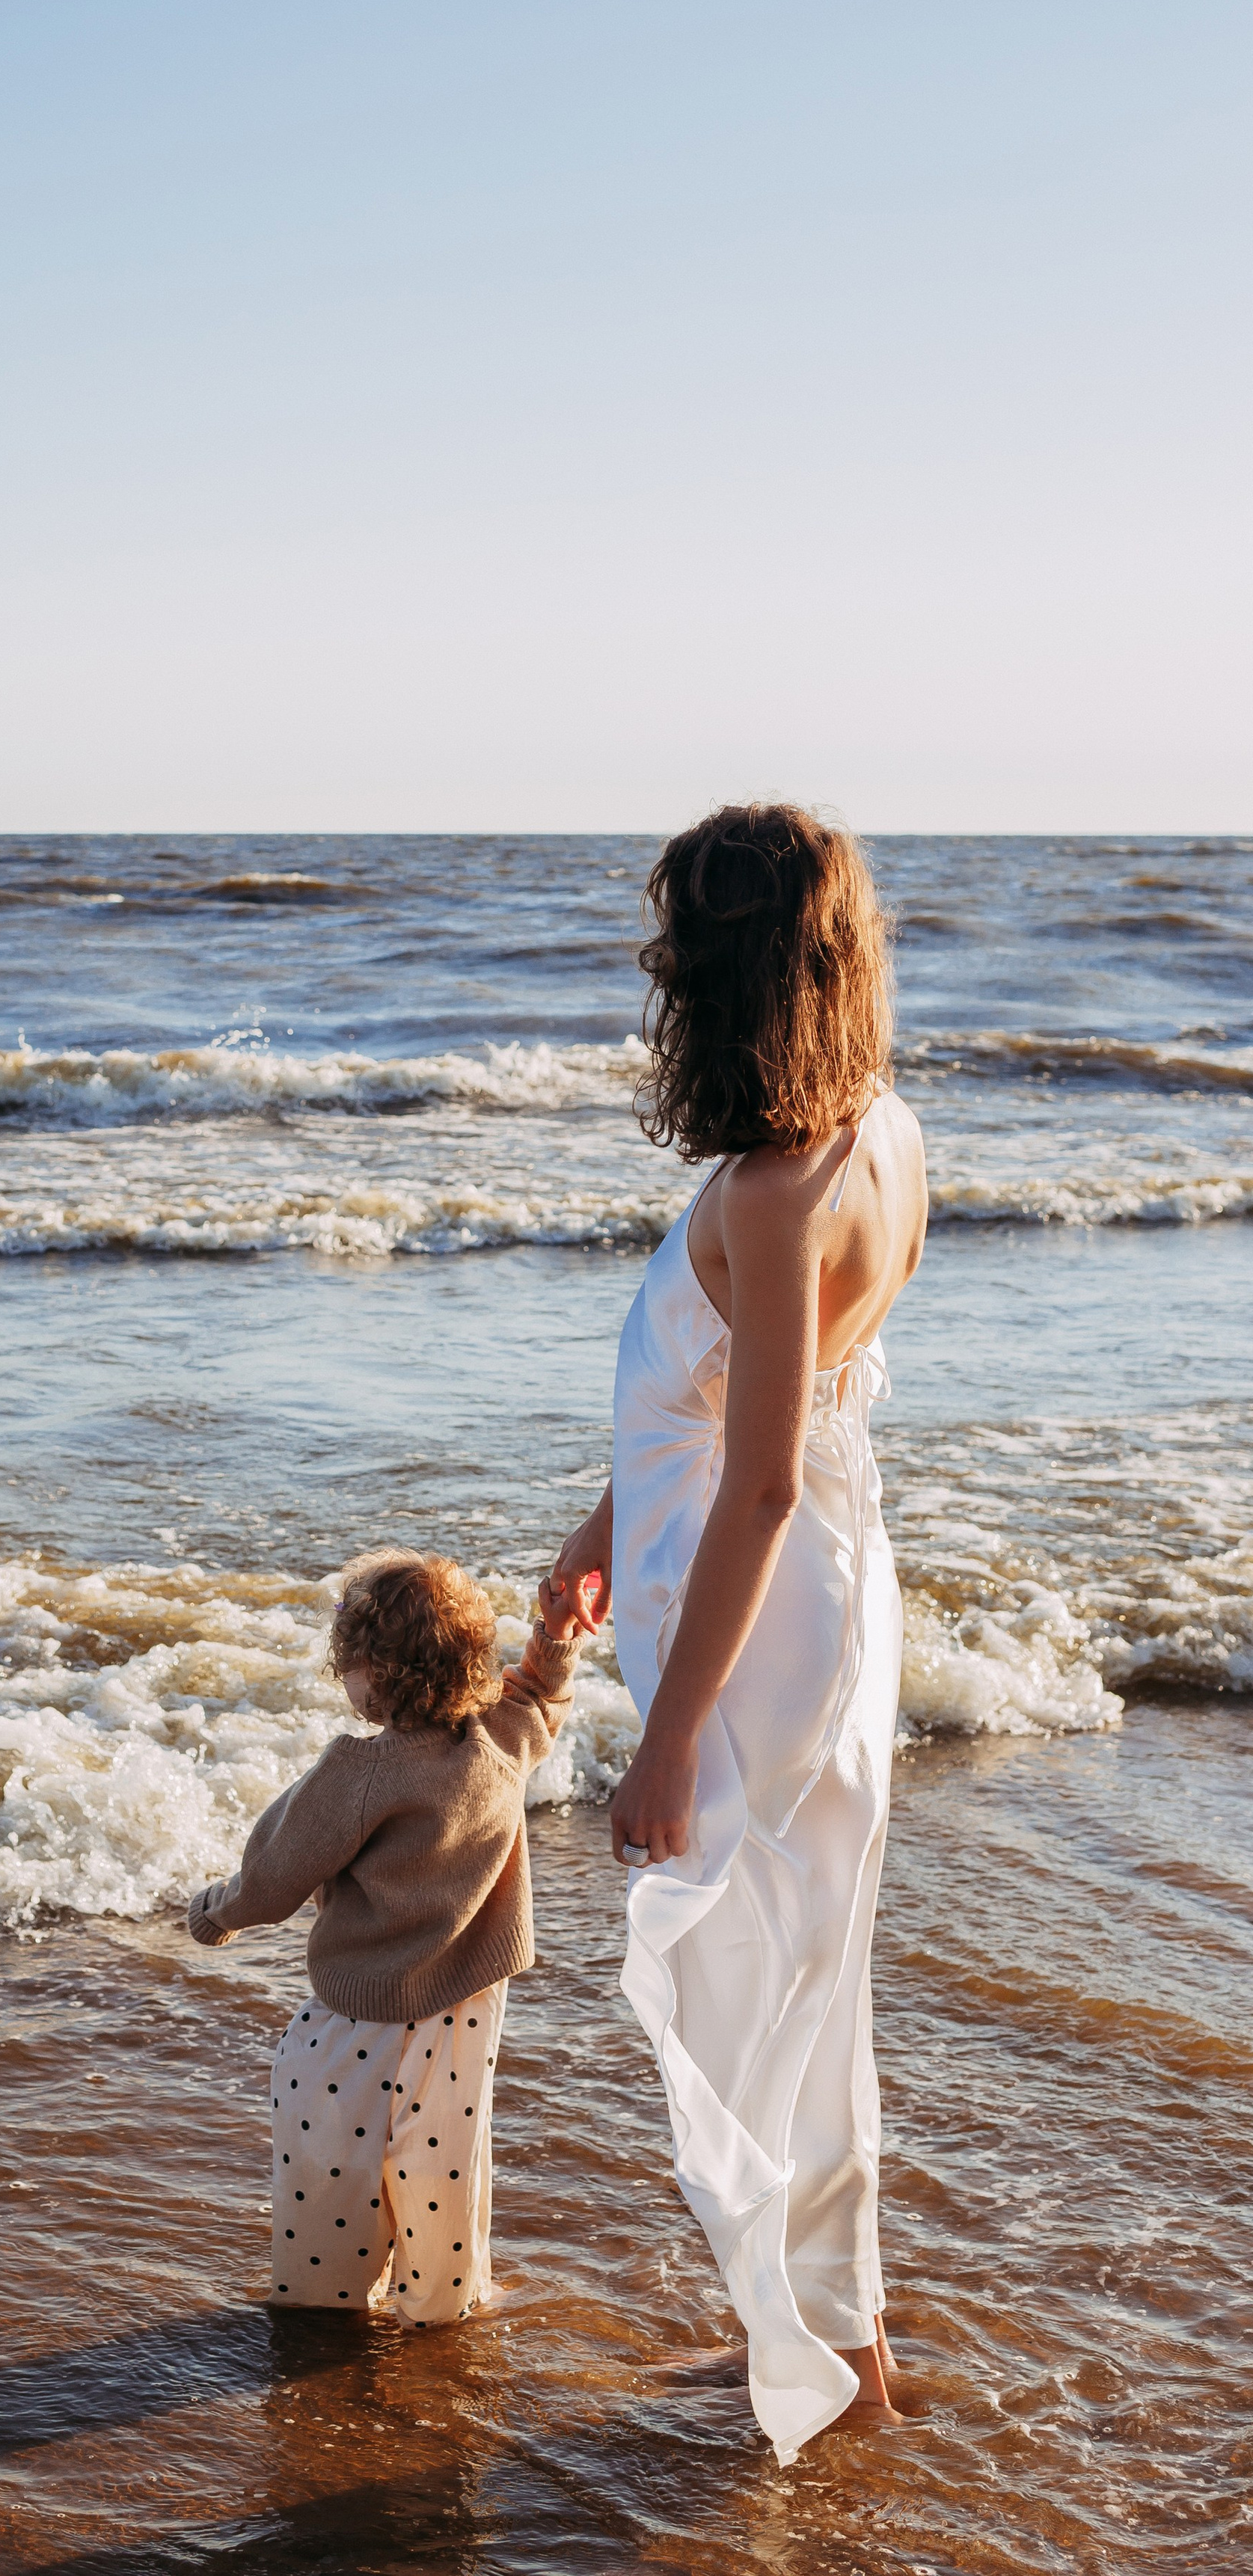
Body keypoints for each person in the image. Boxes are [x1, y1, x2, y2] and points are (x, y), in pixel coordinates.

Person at [545, 803, 927, 2463]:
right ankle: (820, 2343)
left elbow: (758, 1482)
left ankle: (822, 2352)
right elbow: (733, 1411)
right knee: (795, 1988)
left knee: (751, 1993)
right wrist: (599, 1532)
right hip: (815, 1589)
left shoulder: (776, 1190)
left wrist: (664, 1734)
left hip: (761, 1628)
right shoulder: (878, 1130)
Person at [186, 1548, 586, 2322]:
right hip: (467, 1999)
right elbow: (541, 1696)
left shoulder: (358, 1773)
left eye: (352, 1666)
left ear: (373, 1671)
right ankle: (441, 2301)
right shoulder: (499, 1736)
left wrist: (216, 1910)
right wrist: (556, 1633)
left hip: (363, 2004)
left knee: (328, 2147)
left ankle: (323, 2297)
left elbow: (276, 1874)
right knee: (443, 2158)